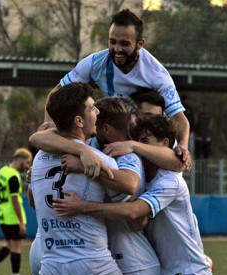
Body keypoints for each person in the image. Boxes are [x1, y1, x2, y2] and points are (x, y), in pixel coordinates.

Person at [53, 114, 213, 275]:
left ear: (165, 144)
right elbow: (138, 223)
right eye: (136, 141)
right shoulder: (144, 176)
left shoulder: (170, 181)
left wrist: (83, 207)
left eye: (145, 141)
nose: (137, 149)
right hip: (167, 274)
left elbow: (133, 211)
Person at [40, 9, 192, 173]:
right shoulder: (95, 62)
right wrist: (49, 123)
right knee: (44, 139)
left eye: (124, 44)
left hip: (146, 143)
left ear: (140, 43)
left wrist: (183, 145)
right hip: (115, 136)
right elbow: (56, 96)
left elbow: (180, 119)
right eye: (112, 42)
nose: (117, 49)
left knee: (175, 166)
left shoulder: (157, 74)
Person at [35, 96, 161, 275]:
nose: (133, 134)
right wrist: (82, 152)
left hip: (55, 262)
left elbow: (135, 211)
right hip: (92, 259)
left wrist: (84, 203)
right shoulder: (96, 154)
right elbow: (37, 138)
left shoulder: (40, 159)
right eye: (93, 110)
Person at [31, 83, 130, 275]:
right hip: (93, 265)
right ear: (78, 121)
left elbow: (34, 201)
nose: (97, 112)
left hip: (51, 267)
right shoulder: (101, 161)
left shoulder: (38, 159)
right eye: (92, 108)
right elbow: (127, 209)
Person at [0, 147, 32, 275]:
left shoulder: (2, 171)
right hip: (12, 215)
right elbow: (15, 200)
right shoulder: (13, 175)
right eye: (27, 162)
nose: (28, 165)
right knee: (16, 245)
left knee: (11, 244)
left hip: (2, 212)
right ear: (20, 159)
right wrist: (21, 222)